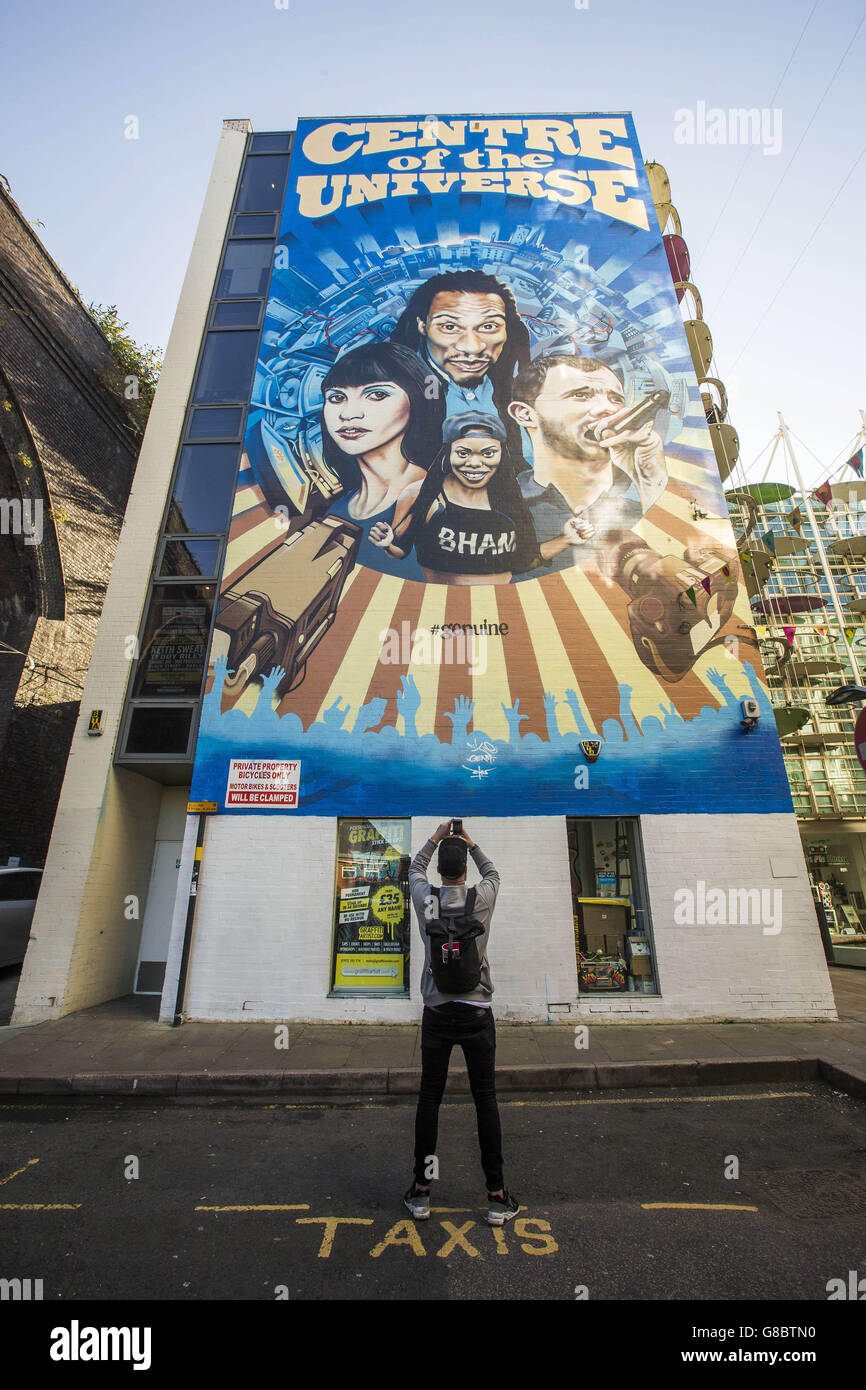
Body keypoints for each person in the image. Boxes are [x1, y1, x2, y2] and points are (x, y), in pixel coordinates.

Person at [404, 820, 520, 1227]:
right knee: (484, 1099)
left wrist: (435, 838)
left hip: (437, 1011)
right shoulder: (481, 898)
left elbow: (412, 870)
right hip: (476, 1012)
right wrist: (469, 841)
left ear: (439, 870)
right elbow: (495, 873)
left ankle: (421, 1193)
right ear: (465, 871)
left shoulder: (426, 898)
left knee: (430, 1099)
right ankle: (496, 1196)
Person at [369, 412, 594, 585]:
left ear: (501, 455)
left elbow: (526, 559)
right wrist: (388, 544)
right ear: (448, 453)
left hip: (501, 608)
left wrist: (567, 539)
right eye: (463, 453)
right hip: (443, 607)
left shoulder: (513, 500)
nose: (475, 464)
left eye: (488, 453)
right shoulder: (421, 494)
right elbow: (401, 551)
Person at [507, 354, 669, 573]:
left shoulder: (642, 508)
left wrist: (650, 480)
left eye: (616, 399)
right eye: (581, 395)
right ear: (525, 414)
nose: (608, 409)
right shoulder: (499, 508)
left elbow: (672, 558)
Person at [320, 341, 445, 580]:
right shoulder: (338, 509)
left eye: (377, 394)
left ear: (416, 400)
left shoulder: (435, 500)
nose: (348, 413)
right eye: (336, 397)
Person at [390, 270, 530, 462]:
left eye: (489, 326)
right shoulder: (394, 399)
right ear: (422, 326)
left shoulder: (531, 391)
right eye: (449, 327)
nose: (472, 347)